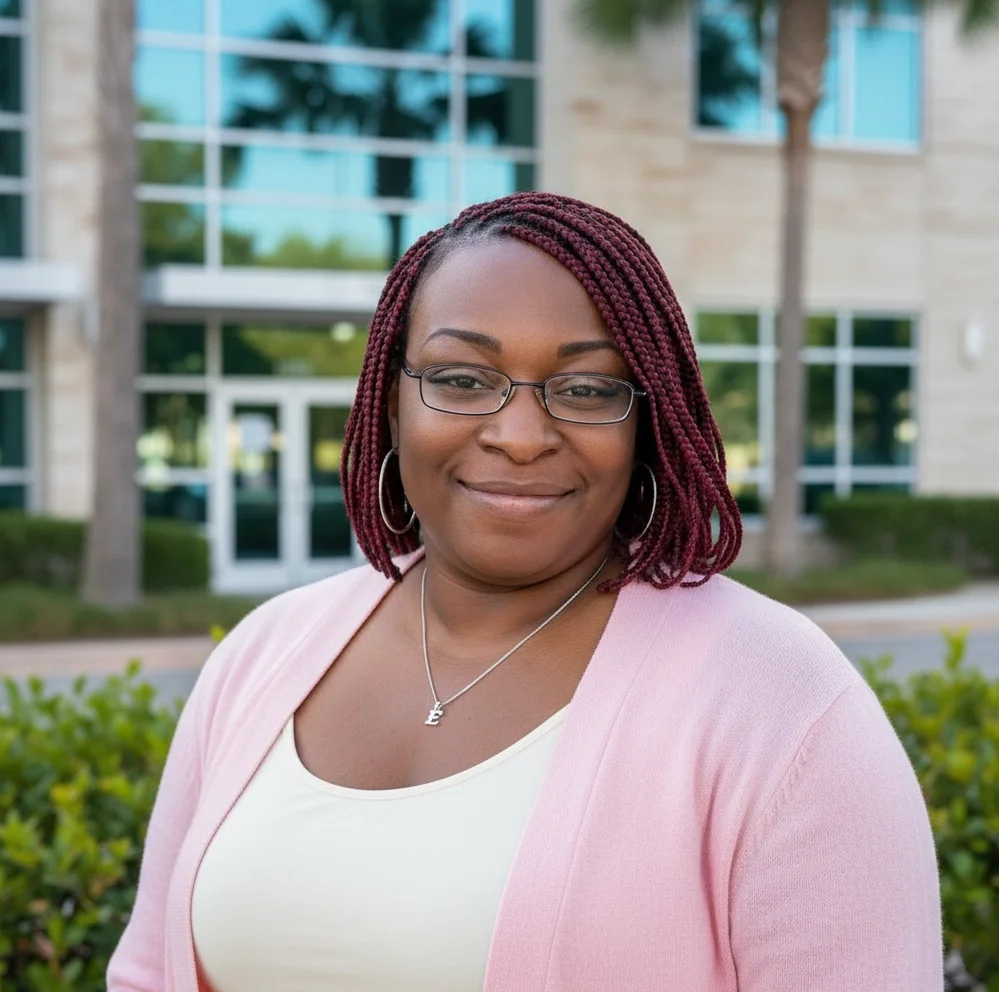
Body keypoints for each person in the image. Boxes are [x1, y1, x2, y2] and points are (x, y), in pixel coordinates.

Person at [107, 192, 943, 992]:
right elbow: (147, 975)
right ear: (389, 402)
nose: (517, 436)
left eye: (585, 389)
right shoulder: (264, 652)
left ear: (645, 424)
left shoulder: (782, 704)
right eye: (463, 379)